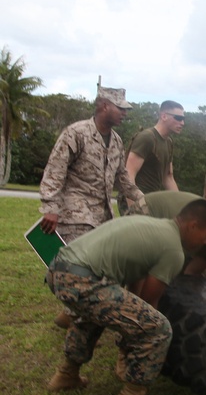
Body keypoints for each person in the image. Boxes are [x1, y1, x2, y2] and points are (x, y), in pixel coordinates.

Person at [45, 200, 206, 395]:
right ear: (192, 225)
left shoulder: (153, 226)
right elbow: (148, 300)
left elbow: (134, 279)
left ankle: (66, 376)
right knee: (157, 328)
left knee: (93, 314)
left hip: (59, 269)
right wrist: (130, 342)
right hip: (83, 280)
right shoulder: (173, 249)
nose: (205, 242)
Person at [38, 86, 147, 328]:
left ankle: (72, 313)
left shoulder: (117, 141)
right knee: (80, 269)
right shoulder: (76, 133)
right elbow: (55, 170)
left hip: (102, 215)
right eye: (120, 108)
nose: (125, 113)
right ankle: (78, 320)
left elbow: (123, 177)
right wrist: (50, 207)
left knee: (98, 267)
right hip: (75, 213)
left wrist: (142, 200)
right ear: (104, 106)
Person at [120, 100, 184, 212]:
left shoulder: (168, 142)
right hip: (133, 199)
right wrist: (134, 208)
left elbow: (168, 177)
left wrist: (182, 205)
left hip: (151, 200)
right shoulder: (147, 138)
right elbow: (129, 174)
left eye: (183, 119)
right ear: (164, 116)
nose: (182, 123)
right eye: (178, 118)